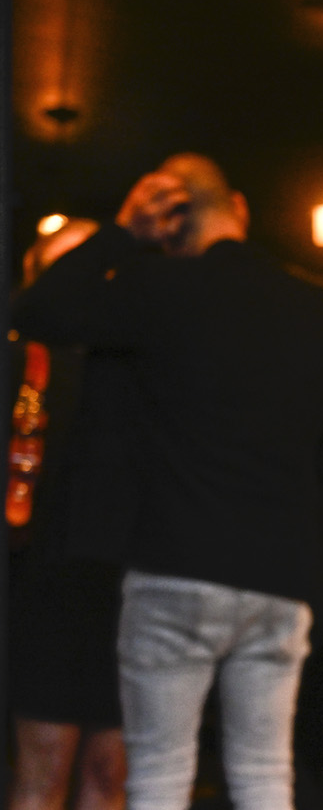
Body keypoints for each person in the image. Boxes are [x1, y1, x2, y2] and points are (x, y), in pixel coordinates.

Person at [12, 153, 323, 810]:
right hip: (281, 572)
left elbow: (39, 308)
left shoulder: (160, 289)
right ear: (239, 209)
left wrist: (121, 231)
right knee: (263, 773)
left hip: (174, 561)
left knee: (160, 771)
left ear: (170, 222)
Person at [7, 218, 132, 810]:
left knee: (109, 775)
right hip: (39, 586)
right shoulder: (19, 363)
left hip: (119, 591)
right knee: (43, 768)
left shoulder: (132, 364)